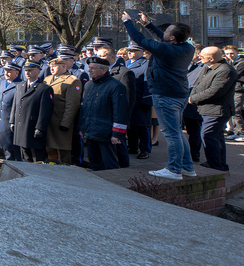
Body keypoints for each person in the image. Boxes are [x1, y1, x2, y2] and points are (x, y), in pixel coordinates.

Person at [121, 11, 195, 180]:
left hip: (165, 94)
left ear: (173, 39)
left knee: (171, 133)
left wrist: (128, 22)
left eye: (168, 30)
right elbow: (163, 38)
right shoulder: (187, 47)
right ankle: (187, 167)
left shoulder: (166, 50)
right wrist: (147, 24)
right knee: (177, 131)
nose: (165, 32)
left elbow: (140, 40)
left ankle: (174, 169)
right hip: (179, 94)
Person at [188, 47, 236, 172]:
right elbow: (198, 85)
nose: (199, 57)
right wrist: (192, 96)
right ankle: (218, 163)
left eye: (202, 56)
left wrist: (193, 99)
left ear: (211, 58)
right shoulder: (207, 67)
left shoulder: (226, 70)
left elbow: (215, 91)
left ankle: (215, 164)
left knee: (208, 134)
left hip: (217, 110)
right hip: (207, 108)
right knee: (215, 136)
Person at [79, 56, 129, 171]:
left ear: (104, 70)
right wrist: (81, 128)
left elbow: (120, 112)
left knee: (110, 165)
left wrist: (117, 134)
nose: (89, 71)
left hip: (106, 134)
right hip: (91, 132)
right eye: (89, 67)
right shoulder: (88, 85)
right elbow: (84, 108)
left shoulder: (116, 86)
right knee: (95, 163)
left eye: (93, 68)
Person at [10, 62, 54, 162]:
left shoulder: (44, 88)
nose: (27, 73)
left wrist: (40, 128)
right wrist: (12, 121)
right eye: (26, 70)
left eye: (30, 70)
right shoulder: (20, 86)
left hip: (33, 127)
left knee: (37, 158)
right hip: (21, 126)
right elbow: (15, 105)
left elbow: (45, 111)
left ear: (38, 71)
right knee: (25, 157)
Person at [43, 57, 82, 165]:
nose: (51, 68)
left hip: (60, 122)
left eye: (54, 66)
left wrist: (66, 123)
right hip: (48, 121)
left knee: (63, 153)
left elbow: (72, 105)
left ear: (64, 67)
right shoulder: (47, 79)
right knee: (50, 151)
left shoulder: (72, 81)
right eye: (50, 66)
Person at [0, 61, 23, 161]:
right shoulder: (2, 83)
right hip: (2, 120)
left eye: (9, 71)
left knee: (15, 151)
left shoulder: (20, 85)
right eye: (5, 71)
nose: (6, 73)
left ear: (17, 73)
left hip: (12, 121)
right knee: (6, 149)